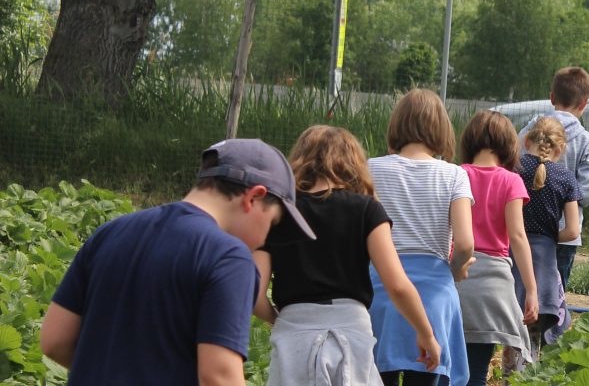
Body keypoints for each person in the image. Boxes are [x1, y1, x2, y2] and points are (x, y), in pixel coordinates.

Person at [40, 138, 316, 385]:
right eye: (272, 223)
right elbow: (218, 376)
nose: (264, 240)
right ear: (253, 197)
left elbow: (55, 340)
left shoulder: (111, 232)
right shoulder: (229, 258)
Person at [253, 125, 440, 386]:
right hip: (351, 335)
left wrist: (278, 319)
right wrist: (426, 333)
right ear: (353, 163)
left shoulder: (279, 213)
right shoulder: (367, 210)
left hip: (293, 337)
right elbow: (397, 285)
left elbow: (253, 292)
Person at [367, 89, 475, 386]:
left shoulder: (369, 169)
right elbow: (466, 244)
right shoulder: (454, 175)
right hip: (434, 297)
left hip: (381, 288)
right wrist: (455, 270)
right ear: (440, 128)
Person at [455, 111, 538, 386]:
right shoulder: (511, 180)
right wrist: (531, 290)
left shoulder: (457, 175)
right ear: (509, 144)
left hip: (456, 279)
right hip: (492, 288)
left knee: (448, 367)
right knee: (477, 371)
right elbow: (517, 236)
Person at [518, 66, 589, 290]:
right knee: (556, 293)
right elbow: (588, 194)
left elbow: (511, 171)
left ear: (552, 97)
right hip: (564, 233)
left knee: (521, 288)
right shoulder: (587, 141)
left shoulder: (528, 131)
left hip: (524, 229)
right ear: (584, 103)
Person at [514, 117, 581, 362]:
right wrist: (551, 236)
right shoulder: (565, 178)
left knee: (512, 319)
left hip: (512, 253)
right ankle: (528, 371)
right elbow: (573, 231)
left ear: (526, 141)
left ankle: (510, 374)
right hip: (544, 259)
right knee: (537, 322)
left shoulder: (513, 170)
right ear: (560, 148)